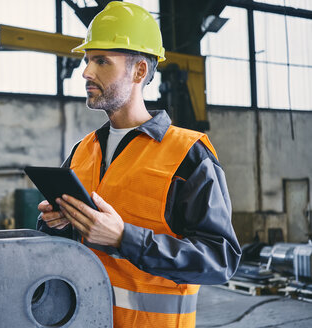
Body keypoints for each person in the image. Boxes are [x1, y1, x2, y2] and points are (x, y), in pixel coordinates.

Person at [37, 2, 241, 327]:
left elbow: (221, 260)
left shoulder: (188, 154)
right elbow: (62, 247)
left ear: (139, 71)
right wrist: (55, 223)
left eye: (102, 61)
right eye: (88, 60)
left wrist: (123, 238)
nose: (86, 72)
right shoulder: (81, 151)